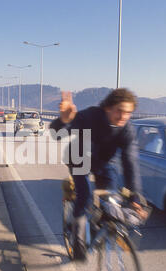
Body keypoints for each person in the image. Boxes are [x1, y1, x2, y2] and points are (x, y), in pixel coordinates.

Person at [50, 88, 148, 261]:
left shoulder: (127, 130)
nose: (123, 116)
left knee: (112, 200)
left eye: (128, 113)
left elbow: (130, 162)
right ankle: (78, 241)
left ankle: (100, 228)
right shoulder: (90, 116)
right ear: (108, 107)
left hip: (103, 163)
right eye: (119, 110)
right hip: (78, 158)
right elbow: (57, 134)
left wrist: (135, 196)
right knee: (85, 196)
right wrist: (63, 121)